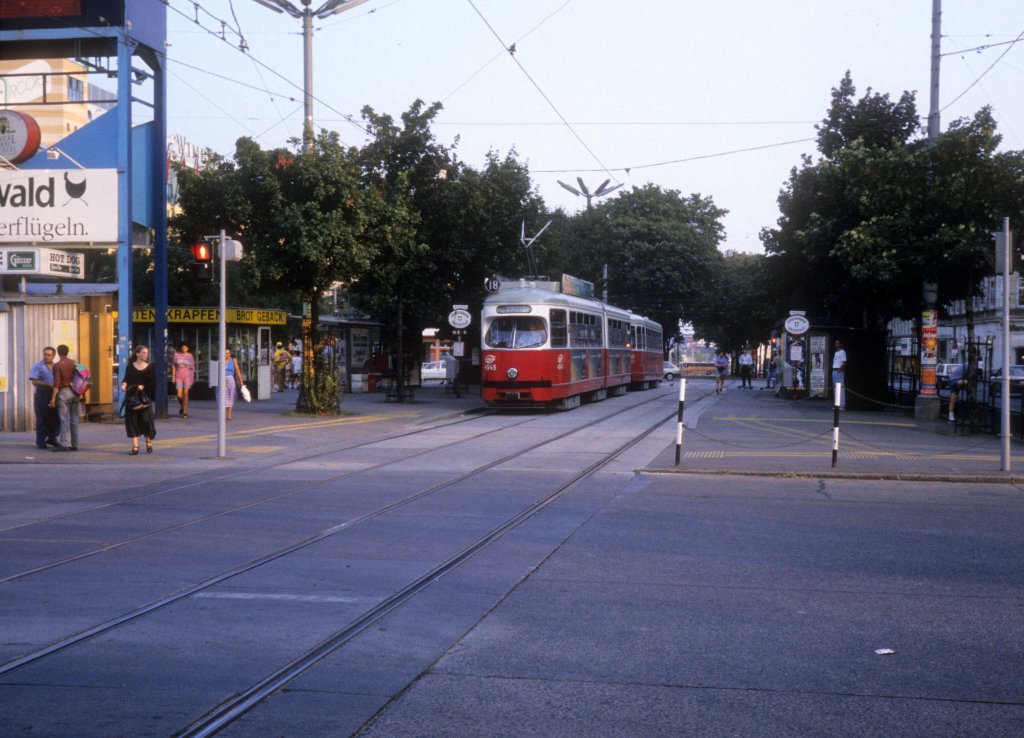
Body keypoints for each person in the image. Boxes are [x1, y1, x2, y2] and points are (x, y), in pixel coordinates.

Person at [122, 345, 157, 455]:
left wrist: (144, 387)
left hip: (144, 398)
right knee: (132, 422)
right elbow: (126, 379)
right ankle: (135, 446)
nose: (146, 355)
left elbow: (153, 384)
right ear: (137, 354)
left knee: (146, 421)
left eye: (147, 353)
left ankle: (148, 441)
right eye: (144, 353)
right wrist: (124, 385)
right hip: (132, 398)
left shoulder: (150, 367)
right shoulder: (130, 367)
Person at [49, 344, 79, 451]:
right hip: (76, 392)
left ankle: (65, 444)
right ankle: (74, 444)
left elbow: (57, 384)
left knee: (64, 419)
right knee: (74, 419)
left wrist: (53, 399)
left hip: (64, 392)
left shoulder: (57, 365)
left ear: (58, 352)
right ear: (67, 352)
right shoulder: (75, 363)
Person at [29, 346, 60, 449]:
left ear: (53, 356)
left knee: (55, 417)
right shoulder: (38, 366)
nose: (46, 357)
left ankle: (52, 438)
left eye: (49, 355)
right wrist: (48, 385)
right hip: (42, 394)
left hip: (54, 394)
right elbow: (34, 381)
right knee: (42, 418)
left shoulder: (56, 366)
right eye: (45, 354)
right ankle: (41, 441)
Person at [172, 341, 195, 418]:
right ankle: (182, 405)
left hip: (188, 375)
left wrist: (192, 378)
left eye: (185, 348)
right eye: (182, 347)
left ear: (188, 348)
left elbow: (192, 367)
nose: (184, 349)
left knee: (186, 394)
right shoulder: (176, 355)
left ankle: (185, 411)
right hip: (179, 375)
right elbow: (173, 365)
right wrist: (173, 376)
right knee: (179, 394)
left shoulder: (190, 356)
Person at [222, 346, 246, 420]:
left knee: (231, 396)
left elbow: (237, 370)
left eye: (228, 353)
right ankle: (226, 412)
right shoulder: (221, 360)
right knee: (224, 397)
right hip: (222, 379)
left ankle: (229, 414)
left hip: (231, 378)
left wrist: (241, 381)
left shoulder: (233, 360)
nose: (227, 355)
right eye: (225, 353)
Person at [832, 339, 847, 409]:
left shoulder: (842, 352)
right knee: (835, 388)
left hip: (839, 371)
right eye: (836, 343)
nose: (836, 345)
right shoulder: (836, 352)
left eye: (838, 343)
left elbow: (844, 363)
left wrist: (839, 370)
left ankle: (842, 405)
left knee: (840, 388)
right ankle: (837, 404)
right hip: (834, 370)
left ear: (840, 344)